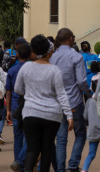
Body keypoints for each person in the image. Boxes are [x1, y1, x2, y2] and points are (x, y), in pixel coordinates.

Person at [14, 34, 73, 172]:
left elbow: (17, 89)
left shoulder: (26, 67)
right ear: (49, 51)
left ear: (32, 50)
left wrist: (30, 93)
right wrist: (69, 116)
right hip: (52, 115)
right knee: (47, 149)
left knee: (32, 149)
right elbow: (61, 95)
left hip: (30, 113)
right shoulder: (54, 70)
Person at [50, 29, 91, 172]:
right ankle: (73, 165)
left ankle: (60, 168)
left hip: (57, 102)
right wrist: (89, 93)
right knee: (80, 134)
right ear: (69, 38)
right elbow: (81, 81)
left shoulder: (52, 57)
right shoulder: (76, 56)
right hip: (74, 101)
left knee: (61, 138)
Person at [6, 43, 32, 172]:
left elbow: (9, 92)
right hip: (29, 107)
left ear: (17, 54)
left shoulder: (12, 70)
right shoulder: (32, 69)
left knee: (17, 136)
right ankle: (22, 161)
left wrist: (8, 110)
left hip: (16, 107)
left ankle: (18, 163)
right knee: (29, 136)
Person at [82, 79, 100, 172]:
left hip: (93, 131)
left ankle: (84, 169)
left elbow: (85, 116)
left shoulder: (89, 101)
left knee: (91, 154)